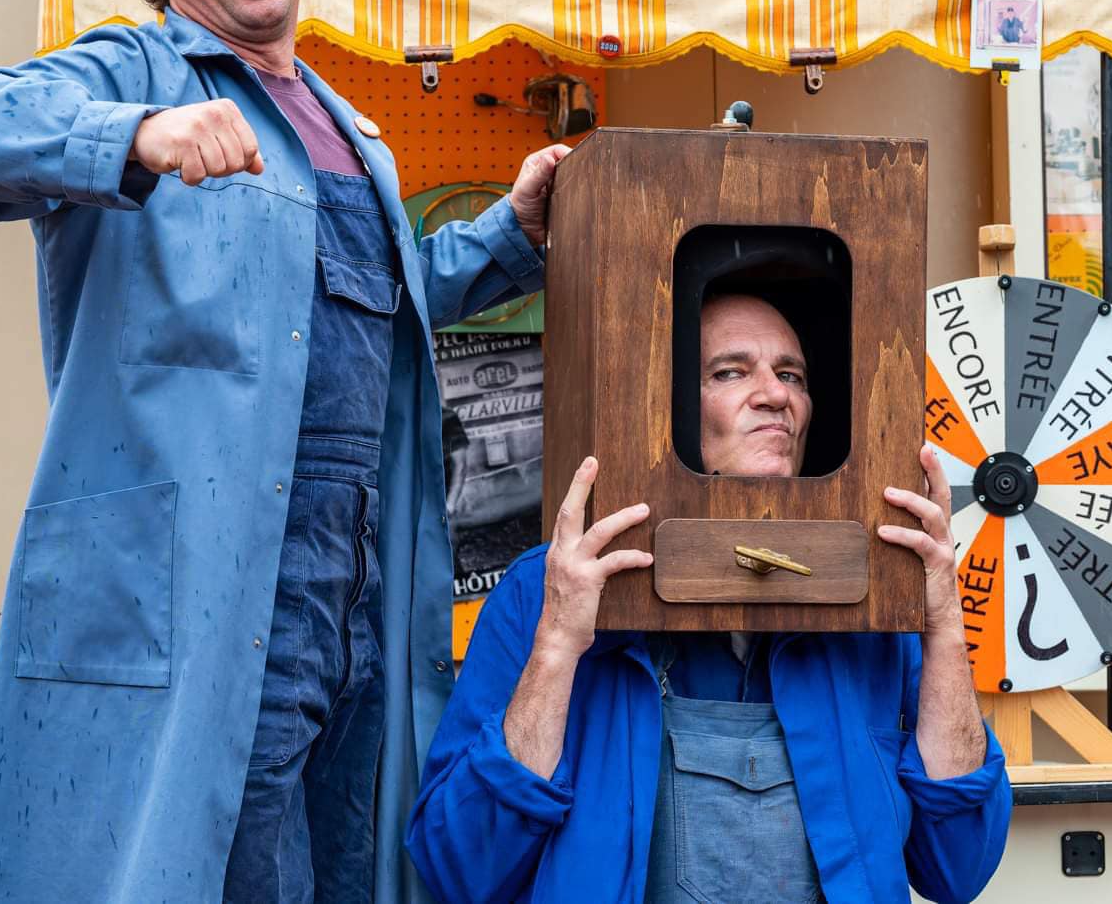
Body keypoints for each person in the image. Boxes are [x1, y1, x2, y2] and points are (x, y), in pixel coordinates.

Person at [0, 0, 565, 904]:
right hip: (209, 591)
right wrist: (134, 135)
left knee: (348, 870)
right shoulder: (136, 67)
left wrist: (512, 233)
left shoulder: (350, 130)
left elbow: (378, 301)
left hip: (359, 590)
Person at [406, 294, 1012, 903]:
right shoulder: (546, 589)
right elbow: (462, 870)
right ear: (667, 409)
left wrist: (943, 627)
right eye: (730, 372)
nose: (774, 394)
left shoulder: (879, 593)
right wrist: (559, 646)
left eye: (791, 375)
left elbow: (957, 867)